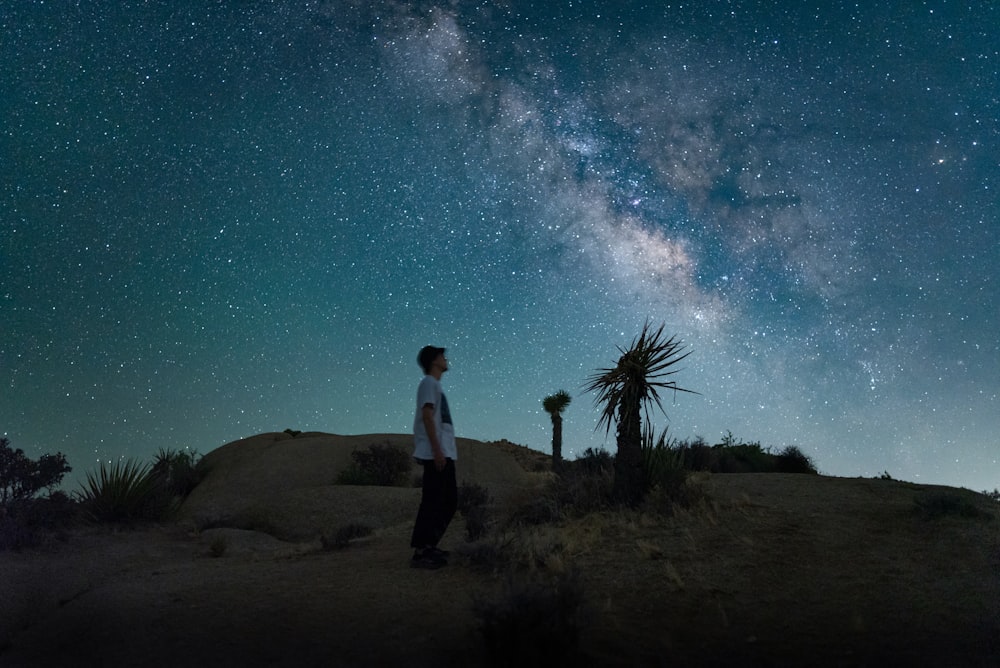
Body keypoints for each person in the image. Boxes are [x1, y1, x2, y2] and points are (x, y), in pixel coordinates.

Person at [409, 345, 458, 569]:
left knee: (447, 501)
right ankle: (421, 552)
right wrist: (437, 450)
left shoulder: (435, 386)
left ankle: (429, 545)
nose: (445, 359)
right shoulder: (429, 383)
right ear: (433, 361)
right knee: (433, 501)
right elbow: (427, 417)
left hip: (443, 452)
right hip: (436, 452)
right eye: (442, 356)